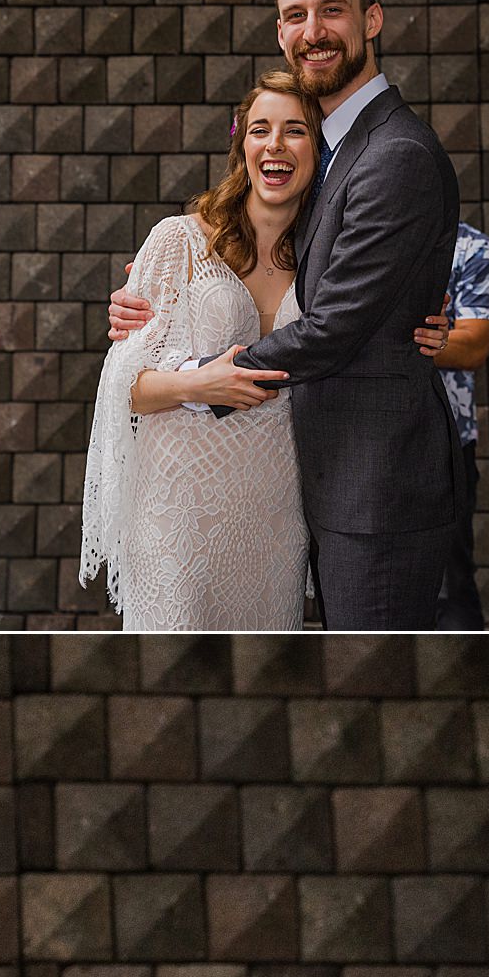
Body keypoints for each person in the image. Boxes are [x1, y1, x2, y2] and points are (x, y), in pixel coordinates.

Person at [108, 0, 467, 630]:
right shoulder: (335, 161)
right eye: (295, 15)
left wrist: (203, 375)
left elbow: (333, 326)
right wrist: (159, 315)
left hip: (374, 490)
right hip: (290, 493)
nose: (314, 30)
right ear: (279, 30)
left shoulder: (392, 154)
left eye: (332, 10)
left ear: (373, 19)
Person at [80, 73, 312, 629]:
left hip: (275, 510)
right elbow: (124, 390)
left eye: (295, 130)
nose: (275, 145)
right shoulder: (178, 240)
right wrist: (196, 386)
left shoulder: (328, 258)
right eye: (261, 130)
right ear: (243, 146)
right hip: (177, 508)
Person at [429, 221, 489, 629]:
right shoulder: (347, 235)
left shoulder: (471, 247)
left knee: (447, 587)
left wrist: (383, 339)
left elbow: (474, 344)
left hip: (444, 443)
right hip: (356, 444)